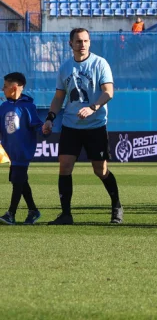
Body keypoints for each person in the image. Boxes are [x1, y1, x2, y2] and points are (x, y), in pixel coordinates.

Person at [40, 28, 121, 225]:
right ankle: (66, 214)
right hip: (71, 125)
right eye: (78, 41)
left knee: (100, 170)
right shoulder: (65, 67)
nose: (82, 44)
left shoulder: (100, 63)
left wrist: (93, 107)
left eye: (85, 41)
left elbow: (108, 92)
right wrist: (50, 118)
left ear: (89, 43)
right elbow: (59, 97)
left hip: (95, 124)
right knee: (65, 166)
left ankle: (116, 206)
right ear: (71, 44)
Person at [0, 73, 41, 225]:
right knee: (20, 181)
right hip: (11, 153)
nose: (2, 89)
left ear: (14, 87)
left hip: (22, 152)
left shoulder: (28, 106)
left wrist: (44, 129)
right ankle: (33, 210)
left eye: (5, 86)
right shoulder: (4, 107)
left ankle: (10, 213)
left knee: (18, 180)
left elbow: (36, 124)